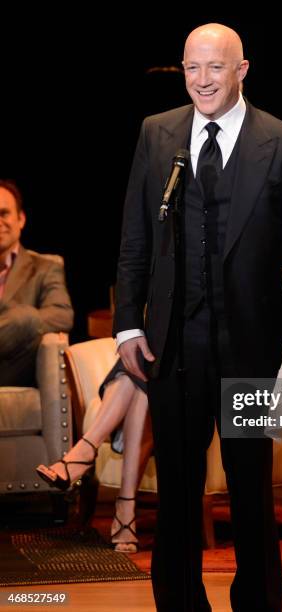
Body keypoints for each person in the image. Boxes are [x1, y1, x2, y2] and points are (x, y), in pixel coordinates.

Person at [114, 23, 282, 611]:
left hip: (252, 342)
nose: (201, 81)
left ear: (242, 70)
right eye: (191, 68)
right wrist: (129, 323)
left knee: (250, 486)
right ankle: (180, 603)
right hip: (176, 341)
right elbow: (134, 235)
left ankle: (257, 603)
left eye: (214, 68)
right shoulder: (158, 134)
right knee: (178, 485)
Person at [36, 360, 153, 553]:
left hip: (190, 386)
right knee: (136, 375)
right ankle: (126, 508)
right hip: (151, 378)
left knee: (139, 375)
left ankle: (84, 453)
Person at [0, 179, 74, 386]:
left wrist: (21, 320)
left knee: (26, 322)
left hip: (13, 371)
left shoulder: (45, 267)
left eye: (4, 213)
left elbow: (62, 315)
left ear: (20, 219)